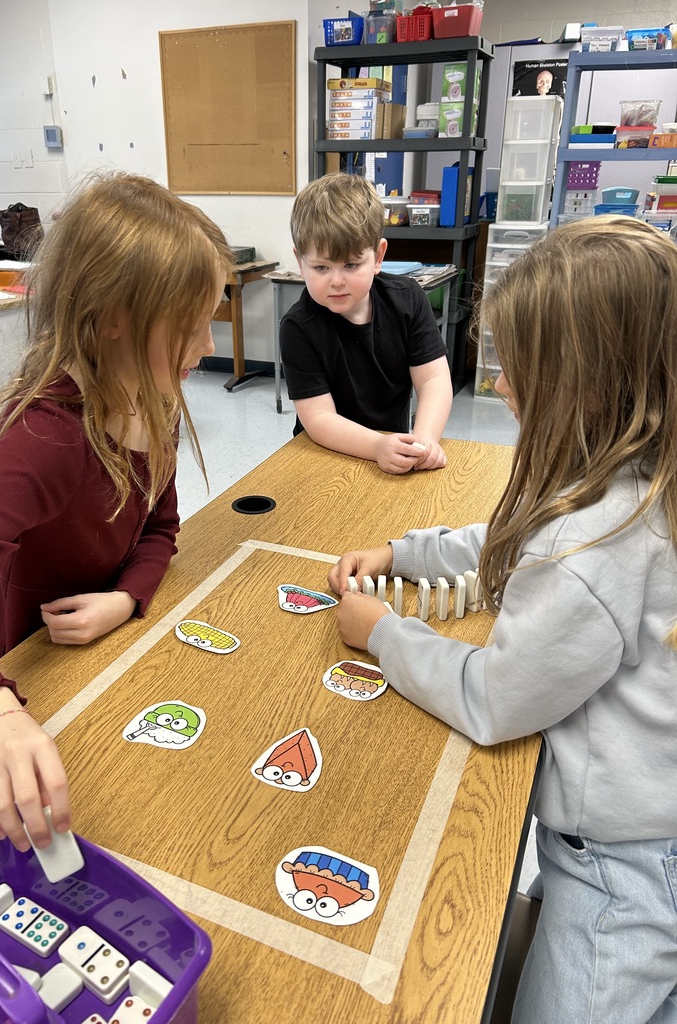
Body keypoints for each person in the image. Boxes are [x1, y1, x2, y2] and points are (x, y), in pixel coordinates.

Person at [328, 216, 677, 1022]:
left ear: (587, 382)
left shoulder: (594, 544)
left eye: (520, 369)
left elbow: (495, 698)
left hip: (621, 874)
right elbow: (520, 539)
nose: (501, 387)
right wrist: (405, 551)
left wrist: (381, 632)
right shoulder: (632, 476)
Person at [0, 172, 233, 854]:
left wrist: (126, 599)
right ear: (114, 317)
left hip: (93, 657)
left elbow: (161, 527)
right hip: (19, 667)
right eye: (190, 326)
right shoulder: (48, 437)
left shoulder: (158, 399)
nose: (207, 347)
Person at [280, 173, 452, 475]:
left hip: (392, 454)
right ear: (300, 261)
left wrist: (423, 443)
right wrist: (376, 447)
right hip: (322, 457)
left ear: (378, 256)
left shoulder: (408, 299)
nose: (336, 281)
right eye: (321, 267)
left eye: (350, 265)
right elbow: (319, 418)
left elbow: (433, 381)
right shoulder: (298, 327)